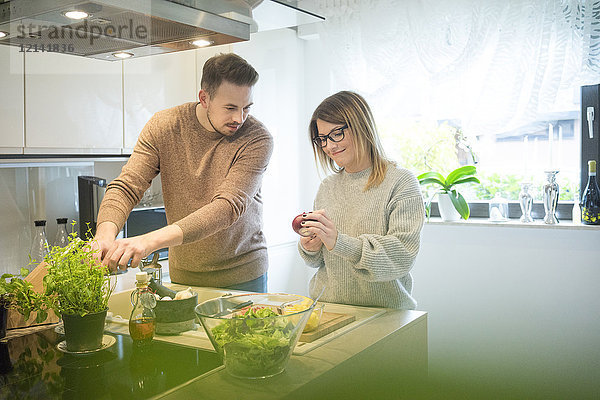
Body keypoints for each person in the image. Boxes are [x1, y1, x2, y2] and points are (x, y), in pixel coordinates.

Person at [93, 53, 273, 292]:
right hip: (183, 276)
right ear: (204, 98)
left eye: (246, 108)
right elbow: (127, 185)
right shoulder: (165, 126)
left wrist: (148, 241)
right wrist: (104, 236)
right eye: (230, 107)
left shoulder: (257, 138)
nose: (239, 118)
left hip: (243, 276)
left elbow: (228, 207)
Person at [297, 91, 425, 309]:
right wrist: (311, 247)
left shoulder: (401, 182)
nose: (329, 146)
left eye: (337, 133)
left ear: (360, 125)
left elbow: (401, 256)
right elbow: (319, 262)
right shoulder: (327, 187)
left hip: (385, 314)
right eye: (323, 139)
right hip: (328, 310)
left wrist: (339, 242)